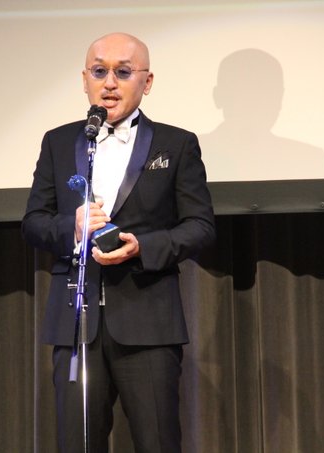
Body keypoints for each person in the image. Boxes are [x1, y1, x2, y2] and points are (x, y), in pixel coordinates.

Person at [21, 32, 215, 453]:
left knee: (158, 443)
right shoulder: (57, 142)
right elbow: (33, 223)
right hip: (75, 323)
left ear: (147, 81)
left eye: (123, 72)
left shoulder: (177, 144)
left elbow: (200, 226)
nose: (109, 83)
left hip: (149, 323)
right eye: (99, 71)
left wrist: (142, 246)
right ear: (84, 80)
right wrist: (72, 228)